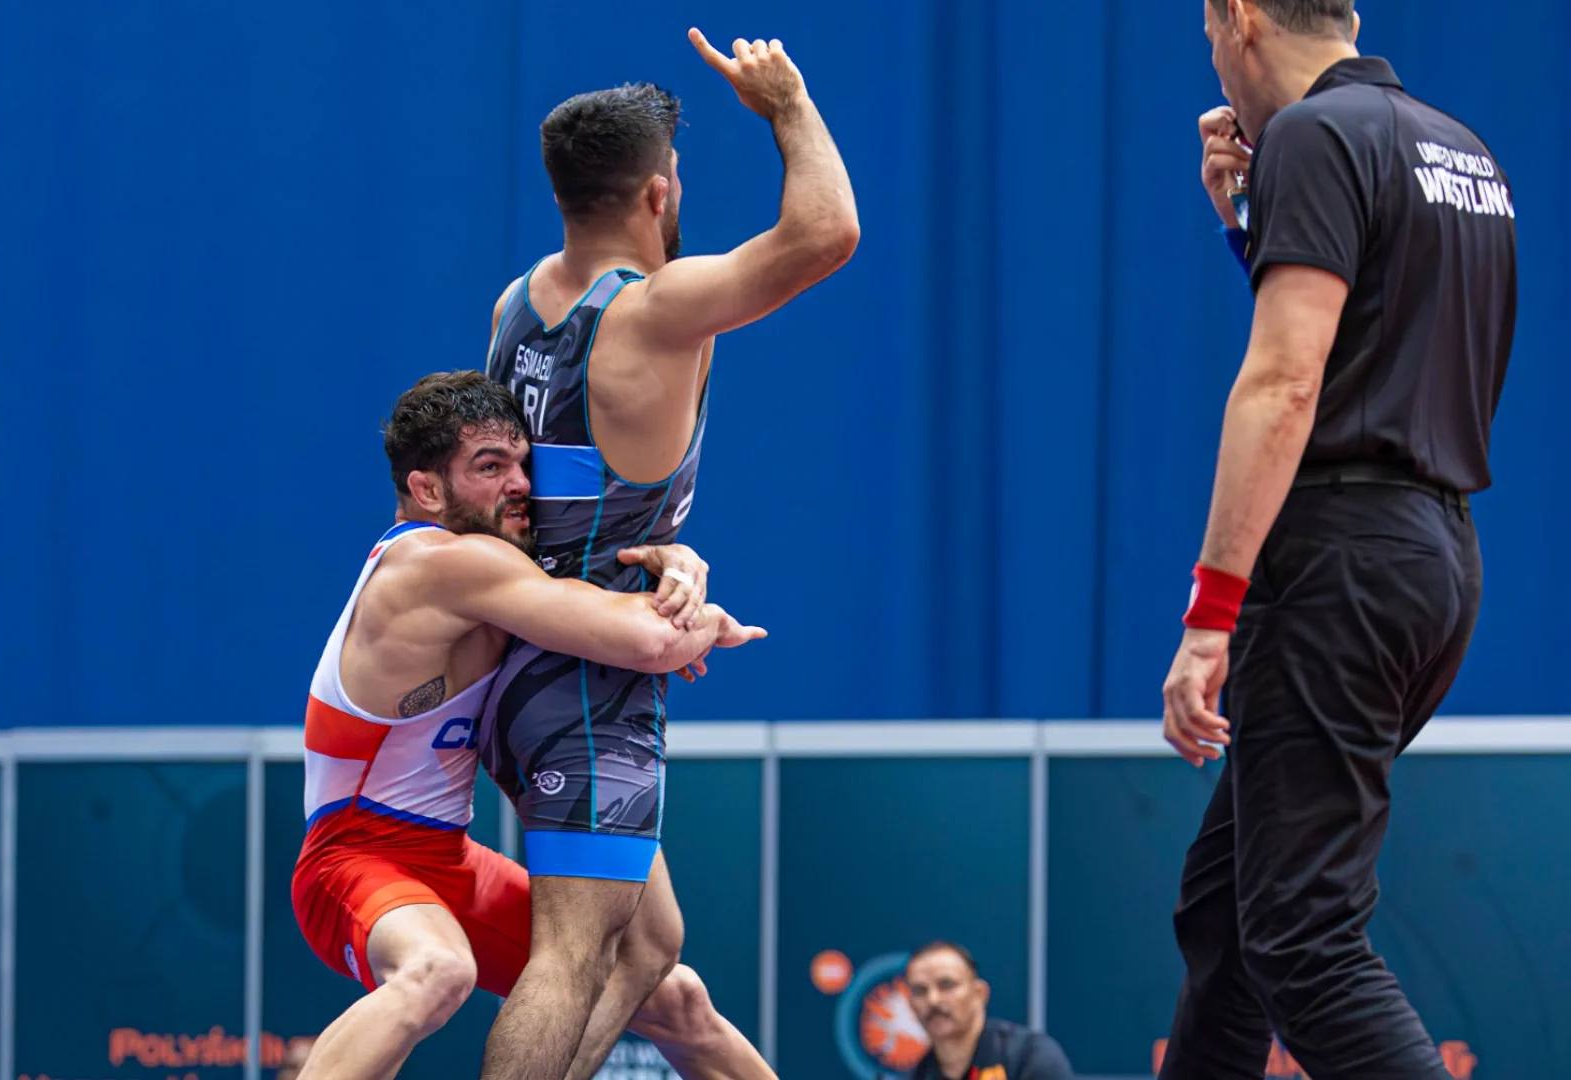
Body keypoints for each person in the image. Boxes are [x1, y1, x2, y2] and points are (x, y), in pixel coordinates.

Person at [476, 27, 858, 1080]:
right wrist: (786, 101)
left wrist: (670, 561)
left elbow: (550, 498)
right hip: (589, 679)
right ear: (657, 192)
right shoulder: (653, 312)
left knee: (650, 946)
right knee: (571, 951)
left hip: (530, 661)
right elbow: (826, 232)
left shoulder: (513, 307)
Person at [1157, 2, 1517, 1078]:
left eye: (1210, 31)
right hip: (1433, 554)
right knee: (1226, 921)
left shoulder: (1319, 135)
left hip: (1343, 560)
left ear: (1241, 17)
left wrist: (1210, 615)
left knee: (1302, 941)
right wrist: (1246, 222)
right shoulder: (1460, 149)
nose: (1215, 56)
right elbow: (1373, 345)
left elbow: (1288, 379)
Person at [291, 371, 774, 1079]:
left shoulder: (501, 561)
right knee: (438, 968)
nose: (521, 485)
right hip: (353, 859)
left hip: (446, 861)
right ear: (427, 490)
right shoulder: (436, 562)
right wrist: (705, 618)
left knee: (677, 999)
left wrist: (674, 560)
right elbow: (647, 641)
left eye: (525, 464)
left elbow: (610, 575)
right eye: (490, 467)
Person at [903, 942, 1074, 1080]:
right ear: (911, 1005)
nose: (933, 1000)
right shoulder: (918, 1073)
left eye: (947, 985)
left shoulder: (1031, 1058)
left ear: (980, 994)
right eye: (920, 991)